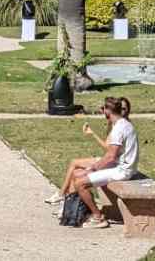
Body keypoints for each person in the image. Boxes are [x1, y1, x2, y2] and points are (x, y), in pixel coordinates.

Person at [47, 97, 138, 229]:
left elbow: (111, 156)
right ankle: (72, 209)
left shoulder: (119, 128)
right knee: (77, 173)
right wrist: (92, 167)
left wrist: (93, 169)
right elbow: (112, 155)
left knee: (80, 183)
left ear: (107, 111)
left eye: (104, 109)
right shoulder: (123, 124)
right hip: (121, 166)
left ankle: (98, 217)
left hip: (123, 170)